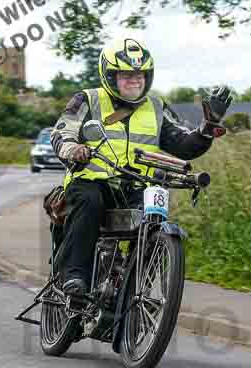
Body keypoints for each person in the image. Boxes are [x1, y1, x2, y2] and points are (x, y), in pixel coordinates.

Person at [50, 37, 232, 295]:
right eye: (126, 75)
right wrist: (74, 150)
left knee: (154, 217)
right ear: (110, 76)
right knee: (89, 200)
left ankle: (134, 290)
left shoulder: (157, 107)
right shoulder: (87, 100)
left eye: (141, 75)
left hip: (137, 186)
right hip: (92, 181)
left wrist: (207, 127)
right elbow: (61, 133)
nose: (135, 80)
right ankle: (74, 276)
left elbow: (183, 144)